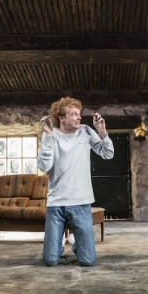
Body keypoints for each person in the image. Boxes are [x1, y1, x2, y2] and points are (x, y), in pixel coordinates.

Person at [38, 97, 114, 267]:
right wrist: (49, 136)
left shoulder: (86, 131)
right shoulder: (50, 134)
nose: (79, 118)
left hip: (81, 202)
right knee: (50, 261)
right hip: (56, 202)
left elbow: (107, 154)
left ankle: (73, 239)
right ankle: (57, 244)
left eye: (79, 114)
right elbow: (44, 166)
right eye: (73, 114)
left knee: (88, 261)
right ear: (62, 118)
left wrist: (102, 131)